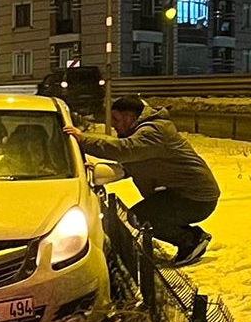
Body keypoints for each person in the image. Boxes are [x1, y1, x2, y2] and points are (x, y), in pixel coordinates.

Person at [66, 93, 219, 263]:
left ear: (129, 117)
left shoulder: (153, 131)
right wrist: (104, 170)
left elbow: (125, 151)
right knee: (141, 216)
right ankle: (192, 237)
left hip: (195, 198)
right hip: (182, 193)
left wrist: (83, 140)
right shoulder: (146, 132)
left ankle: (190, 241)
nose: (114, 125)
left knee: (141, 217)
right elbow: (134, 162)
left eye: (116, 119)